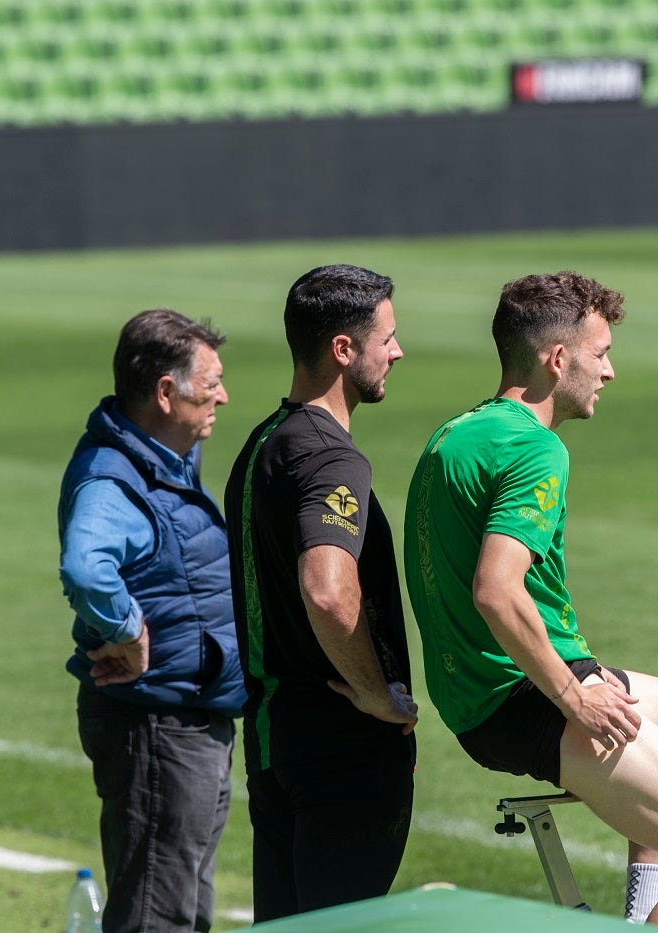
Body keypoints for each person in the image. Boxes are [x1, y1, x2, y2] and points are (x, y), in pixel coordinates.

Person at [404, 271, 658, 932]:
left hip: (481, 698)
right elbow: (496, 588)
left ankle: (638, 917)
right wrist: (574, 695)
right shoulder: (537, 448)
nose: (611, 371)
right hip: (529, 697)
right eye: (600, 354)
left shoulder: (455, 434)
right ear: (558, 359)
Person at [224, 264, 418, 922]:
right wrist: (374, 692)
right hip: (345, 754)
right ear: (343, 348)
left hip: (277, 741)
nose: (397, 351)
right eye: (386, 338)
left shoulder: (261, 445)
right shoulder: (331, 457)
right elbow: (329, 592)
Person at [57, 308, 246, 933]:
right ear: (167, 393)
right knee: (155, 917)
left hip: (188, 717)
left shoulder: (164, 458)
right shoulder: (113, 478)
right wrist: (128, 633)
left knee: (185, 909)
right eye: (210, 381)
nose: (223, 394)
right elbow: (87, 569)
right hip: (157, 726)